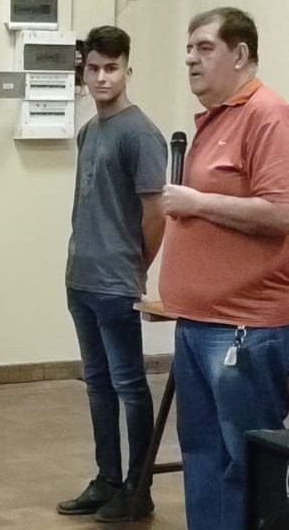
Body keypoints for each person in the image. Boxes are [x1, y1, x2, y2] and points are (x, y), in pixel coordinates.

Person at [158, 7, 289, 529]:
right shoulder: (217, 118)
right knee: (202, 453)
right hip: (200, 322)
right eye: (188, 49)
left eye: (204, 48)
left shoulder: (270, 116)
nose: (190, 59)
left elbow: (284, 213)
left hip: (248, 327)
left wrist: (197, 202)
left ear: (240, 54)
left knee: (243, 462)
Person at [56, 26, 167, 523]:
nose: (102, 78)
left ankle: (137, 488)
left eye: (112, 68)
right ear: (83, 73)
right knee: (98, 385)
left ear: (127, 70)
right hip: (80, 277)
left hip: (116, 282)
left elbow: (156, 214)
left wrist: (136, 266)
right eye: (94, 69)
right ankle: (106, 479)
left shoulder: (140, 134)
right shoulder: (89, 131)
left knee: (129, 385)